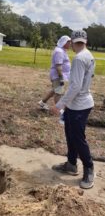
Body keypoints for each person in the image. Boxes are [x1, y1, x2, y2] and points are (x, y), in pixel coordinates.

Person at [51, 30, 95, 189]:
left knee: (78, 138)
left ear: (73, 41)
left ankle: (89, 168)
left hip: (79, 105)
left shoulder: (78, 58)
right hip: (77, 104)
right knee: (70, 134)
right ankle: (71, 164)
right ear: (85, 41)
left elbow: (75, 86)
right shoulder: (89, 54)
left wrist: (59, 104)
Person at [38, 35, 71, 111]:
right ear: (64, 42)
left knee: (55, 90)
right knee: (59, 93)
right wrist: (61, 78)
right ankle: (59, 110)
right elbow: (58, 66)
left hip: (59, 75)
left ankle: (42, 102)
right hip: (57, 75)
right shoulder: (59, 51)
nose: (70, 44)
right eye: (68, 42)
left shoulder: (62, 50)